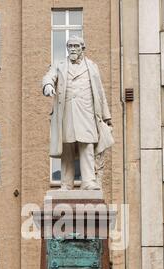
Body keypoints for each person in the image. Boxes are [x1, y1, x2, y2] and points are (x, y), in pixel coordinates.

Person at [42, 36, 114, 190]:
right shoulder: (60, 65)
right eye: (70, 46)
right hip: (66, 112)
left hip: (87, 111)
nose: (72, 49)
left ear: (83, 48)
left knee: (87, 145)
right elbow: (48, 76)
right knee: (67, 147)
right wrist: (48, 85)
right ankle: (66, 184)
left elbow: (100, 93)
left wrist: (107, 117)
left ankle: (88, 181)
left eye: (75, 46)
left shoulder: (92, 66)